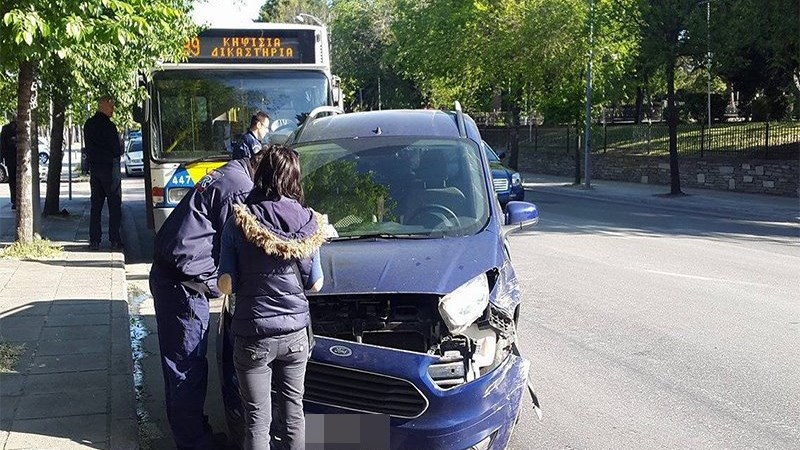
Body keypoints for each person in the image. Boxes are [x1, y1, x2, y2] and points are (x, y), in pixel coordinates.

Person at [149, 151, 265, 450]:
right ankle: (194, 443)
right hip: (183, 283)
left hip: (173, 274)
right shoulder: (240, 189)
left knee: (181, 366)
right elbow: (239, 248)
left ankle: (193, 434)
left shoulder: (229, 172)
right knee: (186, 368)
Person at [218, 144, 326, 450]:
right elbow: (316, 283)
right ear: (294, 178)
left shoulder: (240, 220)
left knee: (257, 419)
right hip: (294, 336)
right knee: (294, 415)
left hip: (253, 335)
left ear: (261, 175)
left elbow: (225, 285)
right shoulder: (308, 221)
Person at [83, 96, 123, 250]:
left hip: (95, 169)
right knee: (114, 206)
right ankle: (114, 239)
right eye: (110, 106)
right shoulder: (109, 126)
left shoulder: (88, 125)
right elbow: (116, 150)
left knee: (96, 206)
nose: (112, 109)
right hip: (109, 168)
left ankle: (94, 240)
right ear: (102, 106)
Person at [0, 118, 17, 209]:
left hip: (16, 158)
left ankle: (16, 199)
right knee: (13, 179)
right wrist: (1, 157)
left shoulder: (22, 127)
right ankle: (14, 200)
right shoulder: (6, 128)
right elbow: (2, 143)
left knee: (15, 179)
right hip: (11, 158)